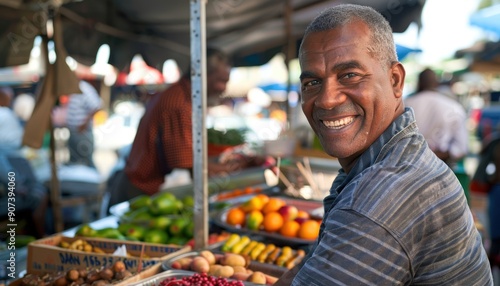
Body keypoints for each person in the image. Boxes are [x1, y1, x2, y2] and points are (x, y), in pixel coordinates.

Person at [275, 4, 492, 285]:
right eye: (313, 82)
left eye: (349, 75)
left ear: (395, 80)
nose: (327, 99)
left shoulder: (377, 200)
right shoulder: (392, 157)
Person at [108, 48, 263, 207]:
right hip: (142, 191)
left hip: (143, 186)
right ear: (203, 75)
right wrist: (226, 170)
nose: (224, 88)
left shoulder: (183, 96)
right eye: (221, 81)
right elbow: (186, 164)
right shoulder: (179, 104)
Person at [405, 68, 469, 167]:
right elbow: (461, 148)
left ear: (419, 83)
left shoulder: (405, 105)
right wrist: (434, 155)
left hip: (407, 167)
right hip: (441, 168)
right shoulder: (454, 107)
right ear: (437, 84)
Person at [65, 80, 102, 168]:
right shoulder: (73, 89)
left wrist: (84, 124)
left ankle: (95, 179)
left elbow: (97, 106)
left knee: (87, 160)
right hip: (74, 132)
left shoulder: (83, 88)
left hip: (83, 133)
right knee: (74, 162)